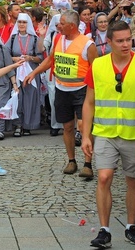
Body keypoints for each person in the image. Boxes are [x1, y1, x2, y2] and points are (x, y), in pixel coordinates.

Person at [81, 21, 135, 248]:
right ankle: (104, 230)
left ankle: (131, 227)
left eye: (128, 39)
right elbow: (89, 103)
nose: (126, 44)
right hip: (105, 133)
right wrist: (87, 136)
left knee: (133, 181)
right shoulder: (98, 65)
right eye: (120, 41)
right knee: (103, 177)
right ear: (108, 42)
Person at [24, 10, 97, 178]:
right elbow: (51, 59)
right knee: (67, 126)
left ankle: (88, 163)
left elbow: (96, 68)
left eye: (62, 23)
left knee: (83, 126)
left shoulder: (87, 44)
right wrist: (34, 73)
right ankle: (71, 160)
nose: (59, 26)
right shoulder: (58, 38)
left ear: (72, 26)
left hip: (81, 90)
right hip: (62, 89)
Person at [6, 13, 43, 136]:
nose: (22, 24)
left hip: (31, 72)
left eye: (24, 22)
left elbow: (40, 58)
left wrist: (30, 58)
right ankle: (18, 125)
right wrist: (14, 59)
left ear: (29, 24)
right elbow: (5, 56)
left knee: (30, 98)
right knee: (18, 97)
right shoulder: (12, 39)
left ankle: (28, 125)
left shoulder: (34, 39)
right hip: (17, 72)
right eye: (20, 22)